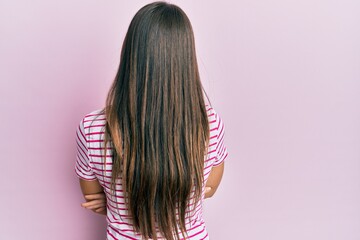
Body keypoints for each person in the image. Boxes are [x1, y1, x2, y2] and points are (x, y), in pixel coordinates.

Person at [74, 1, 228, 239]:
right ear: (186, 59)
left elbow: (93, 196)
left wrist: (117, 205)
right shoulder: (209, 125)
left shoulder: (91, 128)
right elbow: (209, 188)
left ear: (130, 53)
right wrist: (190, 197)